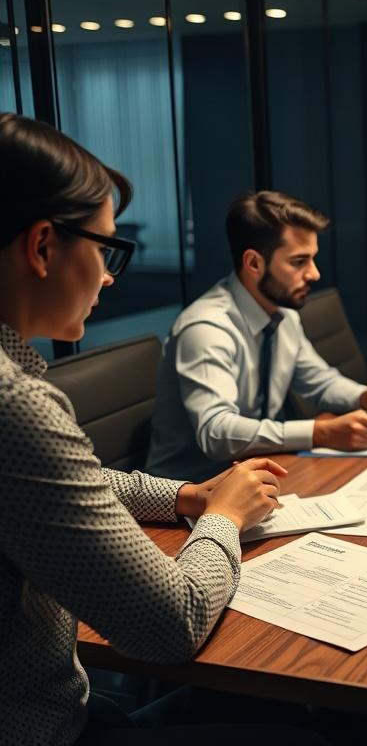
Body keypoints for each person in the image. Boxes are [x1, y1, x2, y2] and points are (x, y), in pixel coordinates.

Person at [0, 113, 295, 743]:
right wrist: (225, 519)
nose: (109, 275)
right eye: (106, 248)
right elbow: (171, 624)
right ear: (44, 246)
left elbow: (70, 480)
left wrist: (188, 496)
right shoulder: (13, 405)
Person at [147, 190, 367, 480]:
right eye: (299, 262)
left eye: (313, 259)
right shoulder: (206, 328)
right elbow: (217, 432)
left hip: (255, 475)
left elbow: (319, 381)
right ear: (253, 263)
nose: (314, 274)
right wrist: (320, 433)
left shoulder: (282, 313)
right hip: (185, 496)